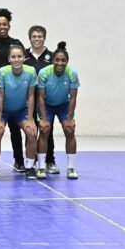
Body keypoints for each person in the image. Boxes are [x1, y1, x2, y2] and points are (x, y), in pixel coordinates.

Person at [0, 8, 25, 172]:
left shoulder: (16, 44)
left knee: (15, 129)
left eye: (5, 24)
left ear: (9, 25)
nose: (2, 27)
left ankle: (19, 161)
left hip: (13, 91)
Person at [0, 45, 38, 180]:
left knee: (32, 133)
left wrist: (30, 119)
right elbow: (0, 96)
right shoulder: (2, 72)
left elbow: (31, 96)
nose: (16, 60)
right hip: (3, 111)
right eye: (13, 57)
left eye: (19, 56)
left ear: (24, 58)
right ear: (9, 59)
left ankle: (30, 167)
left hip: (21, 111)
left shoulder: (31, 71)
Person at [36, 42, 81, 179]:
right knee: (44, 130)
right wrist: (44, 119)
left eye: (63, 60)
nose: (60, 63)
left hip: (63, 105)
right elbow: (40, 97)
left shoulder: (72, 73)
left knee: (70, 130)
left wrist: (70, 119)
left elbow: (73, 97)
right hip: (47, 105)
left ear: (67, 61)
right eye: (57, 60)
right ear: (52, 60)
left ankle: (71, 168)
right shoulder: (44, 73)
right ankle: (42, 167)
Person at [24, 24, 58, 174]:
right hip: (29, 100)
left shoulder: (52, 56)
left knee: (47, 130)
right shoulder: (23, 55)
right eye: (34, 36)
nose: (37, 39)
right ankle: (30, 161)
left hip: (47, 101)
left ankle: (49, 161)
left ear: (44, 38)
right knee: (30, 131)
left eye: (40, 36)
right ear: (29, 38)